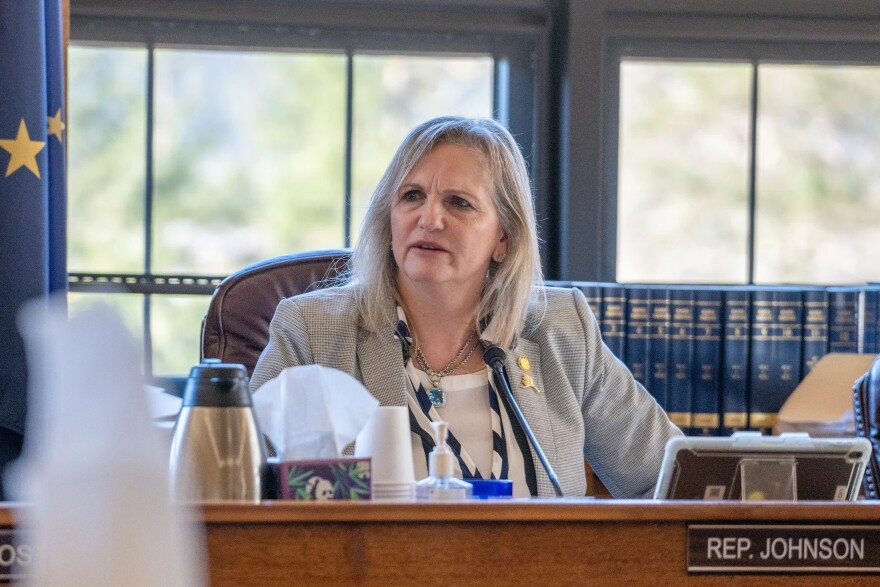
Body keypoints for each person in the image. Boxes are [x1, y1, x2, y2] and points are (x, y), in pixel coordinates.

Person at [251, 115, 681, 498]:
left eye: (459, 203)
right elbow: (247, 490)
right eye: (412, 196)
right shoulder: (314, 332)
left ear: (503, 239)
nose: (430, 218)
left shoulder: (561, 331)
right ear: (388, 221)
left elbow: (673, 482)